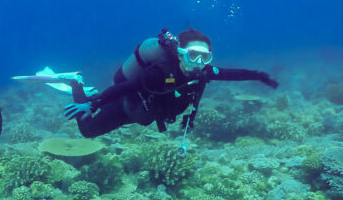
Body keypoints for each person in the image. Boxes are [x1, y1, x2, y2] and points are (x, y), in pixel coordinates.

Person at [62, 28, 278, 139]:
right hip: (125, 106)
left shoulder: (204, 73)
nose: (198, 63)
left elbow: (234, 74)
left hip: (144, 114)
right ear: (181, 54)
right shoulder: (160, 73)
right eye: (193, 56)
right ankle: (76, 82)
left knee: (98, 119)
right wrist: (93, 104)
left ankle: (90, 93)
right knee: (88, 130)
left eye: (205, 58)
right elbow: (126, 87)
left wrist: (260, 76)